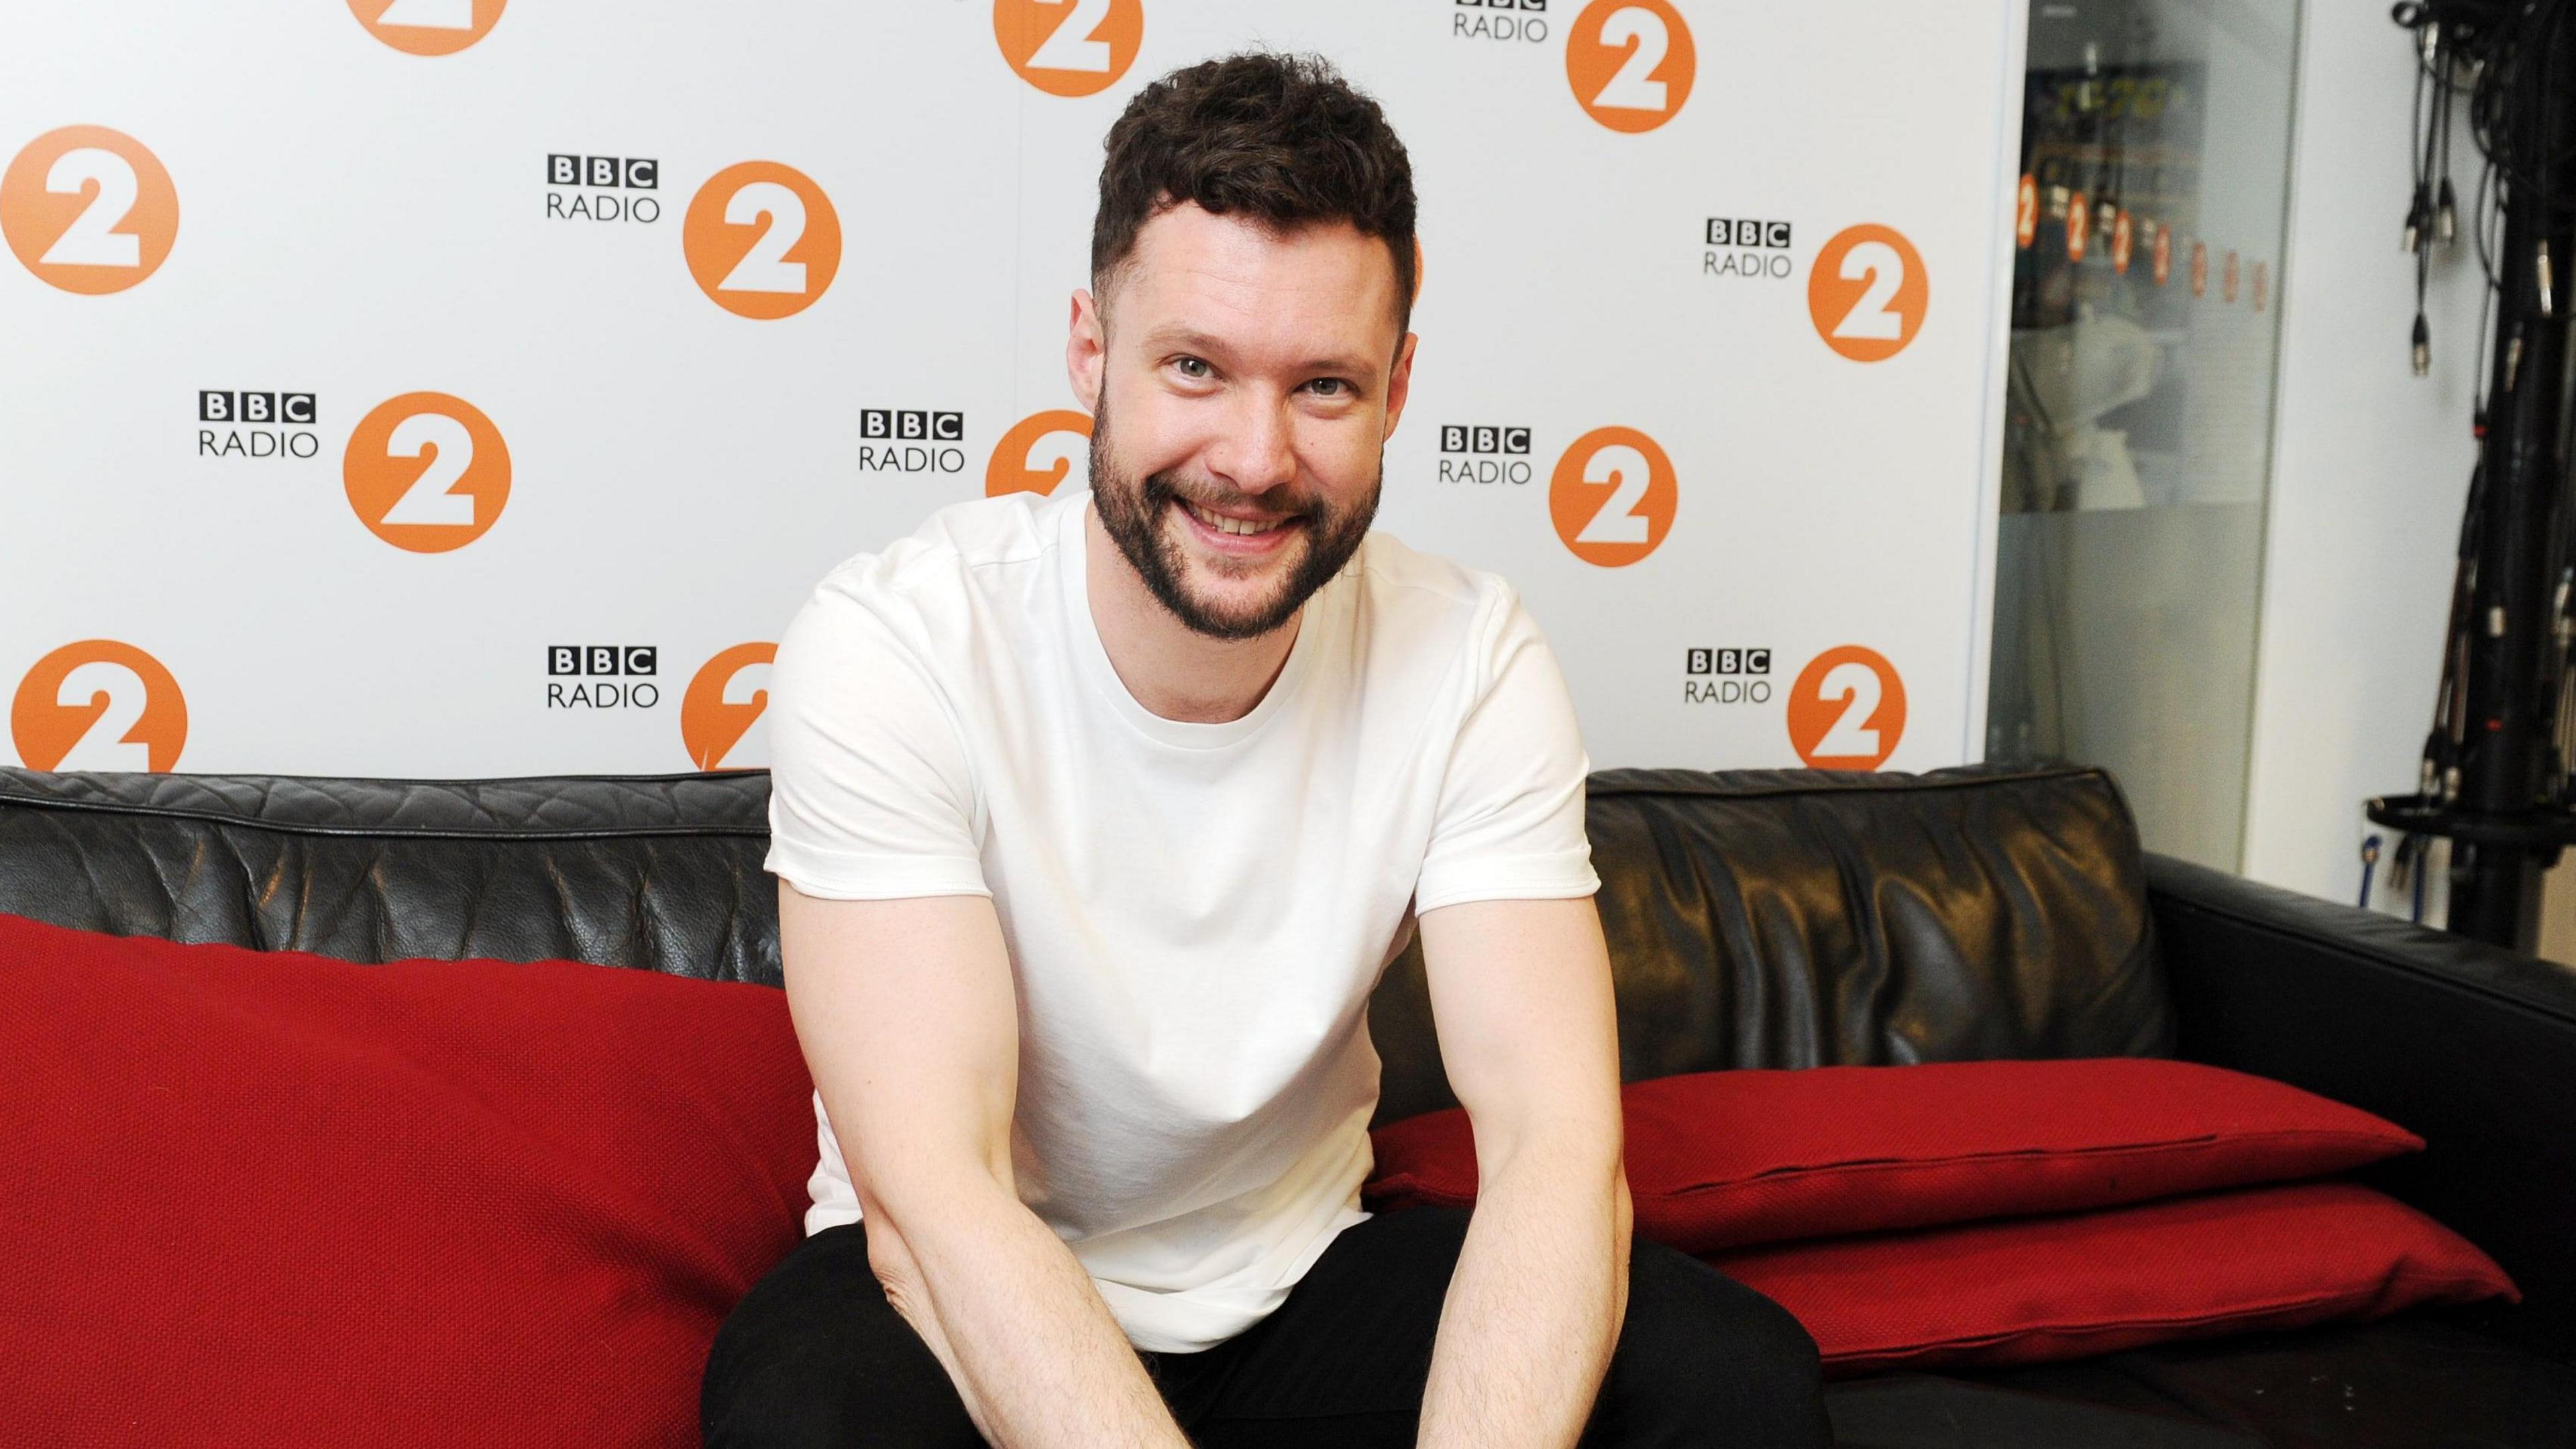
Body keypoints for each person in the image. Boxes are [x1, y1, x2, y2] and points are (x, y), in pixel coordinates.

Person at [701, 50, 1832, 1449]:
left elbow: (1557, 1149)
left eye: (1324, 389)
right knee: (808, 1421)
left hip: (1300, 1288)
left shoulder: (1472, 657)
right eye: (1194, 368)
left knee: (1734, 1381)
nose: (1253, 458)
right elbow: (934, 1201)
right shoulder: (895, 646)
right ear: (1088, 346)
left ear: (1401, 387)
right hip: (958, 1287)